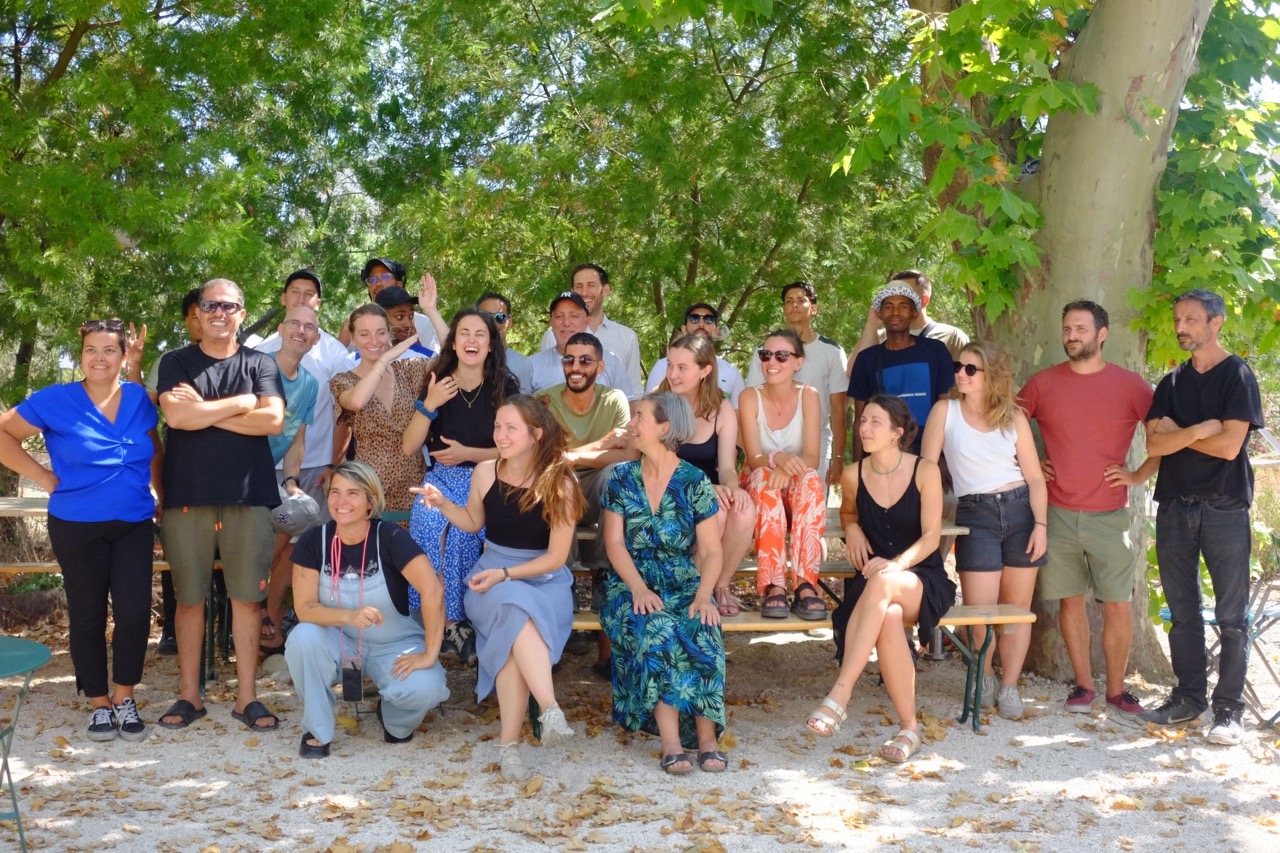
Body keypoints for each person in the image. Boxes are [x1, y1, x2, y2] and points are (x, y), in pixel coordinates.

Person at [0, 319, 163, 742]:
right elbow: (3, 435)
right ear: (81, 356)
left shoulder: (140, 399)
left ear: (123, 356)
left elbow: (154, 449)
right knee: (88, 614)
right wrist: (43, 477)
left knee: (133, 612)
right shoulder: (56, 399)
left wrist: (162, 494)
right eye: (91, 349)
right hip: (76, 524)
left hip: (133, 524)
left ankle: (125, 696)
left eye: (109, 350)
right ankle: (98, 703)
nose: (99, 358)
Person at [413, 395, 584, 782]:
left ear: (536, 434)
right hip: (489, 577)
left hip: (544, 580)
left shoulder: (561, 481)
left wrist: (506, 576)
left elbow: (556, 558)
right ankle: (549, 708)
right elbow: (474, 523)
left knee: (512, 626)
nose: (500, 435)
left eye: (510, 428)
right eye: (497, 427)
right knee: (511, 606)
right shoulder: (486, 472)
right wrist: (442, 504)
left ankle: (510, 748)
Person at [157, 279, 285, 731]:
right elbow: (177, 417)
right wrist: (243, 404)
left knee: (247, 600)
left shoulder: (260, 362)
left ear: (241, 314)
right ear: (198, 311)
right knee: (189, 600)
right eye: (210, 305)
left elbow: (273, 420)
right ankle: (189, 696)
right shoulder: (176, 361)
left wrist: (207, 413)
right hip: (187, 496)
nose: (219, 313)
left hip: (249, 498)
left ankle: (247, 698)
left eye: (228, 306)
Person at [1019, 301, 1156, 719]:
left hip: (1111, 515)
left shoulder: (1131, 386)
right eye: (1067, 329)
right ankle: (1083, 686)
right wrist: (1027, 466)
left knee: (1118, 604)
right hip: (1056, 512)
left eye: (1080, 328)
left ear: (1102, 333)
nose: (1072, 336)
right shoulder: (1043, 383)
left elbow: (1164, 436)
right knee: (1070, 602)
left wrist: (1138, 475)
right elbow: (1004, 427)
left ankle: (1117, 691)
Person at [1138, 289, 1264, 745]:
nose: (1180, 327)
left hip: (1224, 505)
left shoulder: (1238, 376)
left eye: (1190, 319)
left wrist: (1180, 434)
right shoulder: (1171, 383)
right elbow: (1154, 444)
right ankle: (1189, 699)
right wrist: (1200, 429)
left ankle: (1229, 711)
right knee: (1182, 612)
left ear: (1216, 322)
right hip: (1174, 504)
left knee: (1231, 615)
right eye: (1177, 319)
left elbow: (1230, 447)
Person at [809, 395, 954, 763]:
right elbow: (848, 512)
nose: (864, 427)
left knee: (884, 583)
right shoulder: (852, 474)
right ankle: (910, 728)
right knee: (888, 614)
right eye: (863, 420)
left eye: (875, 421)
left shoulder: (925, 471)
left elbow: (932, 537)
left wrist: (897, 564)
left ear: (897, 432)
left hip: (920, 577)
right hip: (873, 583)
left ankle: (841, 693)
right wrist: (853, 529)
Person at [285, 461, 449, 758]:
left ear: (370, 501)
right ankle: (317, 729)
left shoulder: (391, 537)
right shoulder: (314, 541)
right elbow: (305, 609)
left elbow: (433, 591)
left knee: (426, 687)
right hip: (337, 640)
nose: (341, 501)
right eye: (335, 492)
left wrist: (430, 653)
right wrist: (349, 616)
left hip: (393, 644)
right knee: (302, 638)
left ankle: (394, 719)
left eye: (353, 493)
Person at [920, 341, 1048, 720]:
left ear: (991, 375)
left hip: (1021, 511)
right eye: (958, 366)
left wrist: (1041, 525)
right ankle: (985, 675)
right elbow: (926, 469)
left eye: (971, 369)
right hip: (975, 514)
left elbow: (1035, 478)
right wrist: (928, 521)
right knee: (980, 611)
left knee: (1016, 612)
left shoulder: (1014, 417)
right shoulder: (945, 411)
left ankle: (1009, 684)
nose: (961, 374)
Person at [601, 392, 726, 775]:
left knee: (702, 625)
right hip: (629, 583)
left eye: (639, 416)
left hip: (682, 579)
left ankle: (707, 739)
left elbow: (712, 551)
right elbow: (614, 544)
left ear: (664, 427)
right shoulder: (620, 477)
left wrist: (703, 596)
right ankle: (671, 743)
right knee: (658, 628)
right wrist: (638, 588)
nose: (631, 424)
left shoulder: (694, 481)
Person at [404, 308, 519, 661]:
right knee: (429, 521)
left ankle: (459, 620)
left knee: (465, 533)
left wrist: (469, 452)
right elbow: (409, 446)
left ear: (491, 344)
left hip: (491, 477)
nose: (472, 339)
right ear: (453, 343)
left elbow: (517, 448)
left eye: (480, 334)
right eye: (464, 333)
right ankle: (437, 619)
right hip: (441, 478)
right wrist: (430, 404)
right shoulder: (437, 381)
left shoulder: (504, 387)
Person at [538, 331, 637, 675]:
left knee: (617, 474)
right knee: (560, 480)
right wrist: (601, 445)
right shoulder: (545, 401)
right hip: (558, 492)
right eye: (569, 359)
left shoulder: (614, 400)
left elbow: (628, 454)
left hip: (597, 492)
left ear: (600, 366)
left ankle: (602, 575)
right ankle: (563, 582)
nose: (576, 367)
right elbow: (542, 459)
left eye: (585, 360)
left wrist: (569, 456)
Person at [657, 333, 756, 616]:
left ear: (705, 370)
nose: (673, 374)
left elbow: (726, 467)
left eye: (682, 367)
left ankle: (720, 585)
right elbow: (656, 466)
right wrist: (703, 488)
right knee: (716, 511)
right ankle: (693, 592)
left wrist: (733, 487)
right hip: (666, 490)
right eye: (670, 365)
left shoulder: (721, 409)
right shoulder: (659, 406)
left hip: (710, 489)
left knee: (744, 509)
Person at [738, 329, 827, 620]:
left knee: (811, 479)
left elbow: (812, 456)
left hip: (796, 483)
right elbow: (753, 458)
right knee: (765, 479)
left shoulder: (808, 396)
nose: (771, 362)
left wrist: (786, 469)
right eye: (766, 355)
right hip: (761, 483)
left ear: (798, 362)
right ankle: (773, 585)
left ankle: (805, 584)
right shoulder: (749, 396)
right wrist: (778, 459)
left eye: (781, 356)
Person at [259, 305, 321, 655]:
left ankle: (260, 600)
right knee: (260, 544)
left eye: (308, 327)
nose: (301, 330)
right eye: (294, 323)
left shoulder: (310, 384)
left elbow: (297, 440)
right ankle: (253, 605)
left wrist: (292, 482)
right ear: (281, 329)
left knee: (300, 515)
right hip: (239, 477)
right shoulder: (256, 366)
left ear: (315, 339)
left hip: (273, 477)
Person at [330, 305, 430, 518]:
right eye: (364, 334)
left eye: (381, 333)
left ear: (389, 334)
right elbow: (357, 401)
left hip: (413, 487)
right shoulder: (344, 380)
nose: (374, 341)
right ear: (353, 338)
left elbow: (454, 359)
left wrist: (432, 311)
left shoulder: (410, 369)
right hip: (370, 491)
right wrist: (384, 360)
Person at [744, 282, 847, 484]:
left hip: (816, 443)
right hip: (770, 442)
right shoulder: (764, 352)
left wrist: (839, 457)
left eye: (801, 300)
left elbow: (838, 408)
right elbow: (751, 402)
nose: (795, 305)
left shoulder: (832, 351)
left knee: (810, 494)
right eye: (789, 301)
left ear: (814, 308)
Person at [848, 284, 953, 458]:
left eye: (903, 306)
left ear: (914, 313)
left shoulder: (935, 351)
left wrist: (945, 458)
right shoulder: (867, 359)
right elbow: (860, 418)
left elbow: (947, 409)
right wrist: (858, 466)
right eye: (888, 307)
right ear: (880, 314)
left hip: (929, 455)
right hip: (882, 457)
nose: (895, 312)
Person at [538, 263, 643, 394]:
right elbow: (543, 382)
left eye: (591, 285)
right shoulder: (554, 335)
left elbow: (634, 392)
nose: (584, 292)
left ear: (605, 290)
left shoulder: (627, 337)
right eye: (579, 286)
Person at [527, 292, 636, 398]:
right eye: (559, 316)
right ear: (551, 322)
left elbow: (627, 405)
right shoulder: (531, 365)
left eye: (574, 316)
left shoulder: (611, 362)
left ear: (586, 322)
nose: (566, 323)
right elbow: (521, 407)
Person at [851, 270, 970, 361]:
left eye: (906, 296)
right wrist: (872, 324)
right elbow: (854, 373)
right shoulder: (880, 337)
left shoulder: (952, 337)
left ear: (924, 300)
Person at [647, 303, 746, 406]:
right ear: (684, 329)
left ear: (716, 331)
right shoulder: (662, 366)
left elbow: (738, 413)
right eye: (694, 318)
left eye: (708, 319)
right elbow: (649, 409)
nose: (701, 324)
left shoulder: (731, 372)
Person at [339, 258, 448, 352]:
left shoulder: (423, 323)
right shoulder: (355, 324)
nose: (378, 283)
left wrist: (416, 345)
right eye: (372, 279)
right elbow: (341, 363)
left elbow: (440, 360)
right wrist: (343, 342)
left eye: (385, 277)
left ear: (399, 284)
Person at [478, 292, 531, 392]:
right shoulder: (466, 362)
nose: (493, 323)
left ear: (509, 322)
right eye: (486, 317)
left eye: (500, 317)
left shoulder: (525, 366)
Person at [374, 286, 437, 359]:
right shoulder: (365, 357)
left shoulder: (428, 357)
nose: (409, 324)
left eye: (411, 316)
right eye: (399, 317)